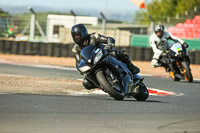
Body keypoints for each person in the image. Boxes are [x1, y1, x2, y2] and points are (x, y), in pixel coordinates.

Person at [71, 24, 140, 90]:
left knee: (122, 53)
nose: (76, 37)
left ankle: (131, 67)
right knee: (86, 83)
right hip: (92, 63)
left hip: (105, 54)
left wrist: (109, 45)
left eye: (78, 35)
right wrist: (80, 68)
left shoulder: (94, 37)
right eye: (75, 36)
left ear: (83, 33)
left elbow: (109, 39)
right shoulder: (76, 49)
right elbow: (78, 62)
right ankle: (104, 85)